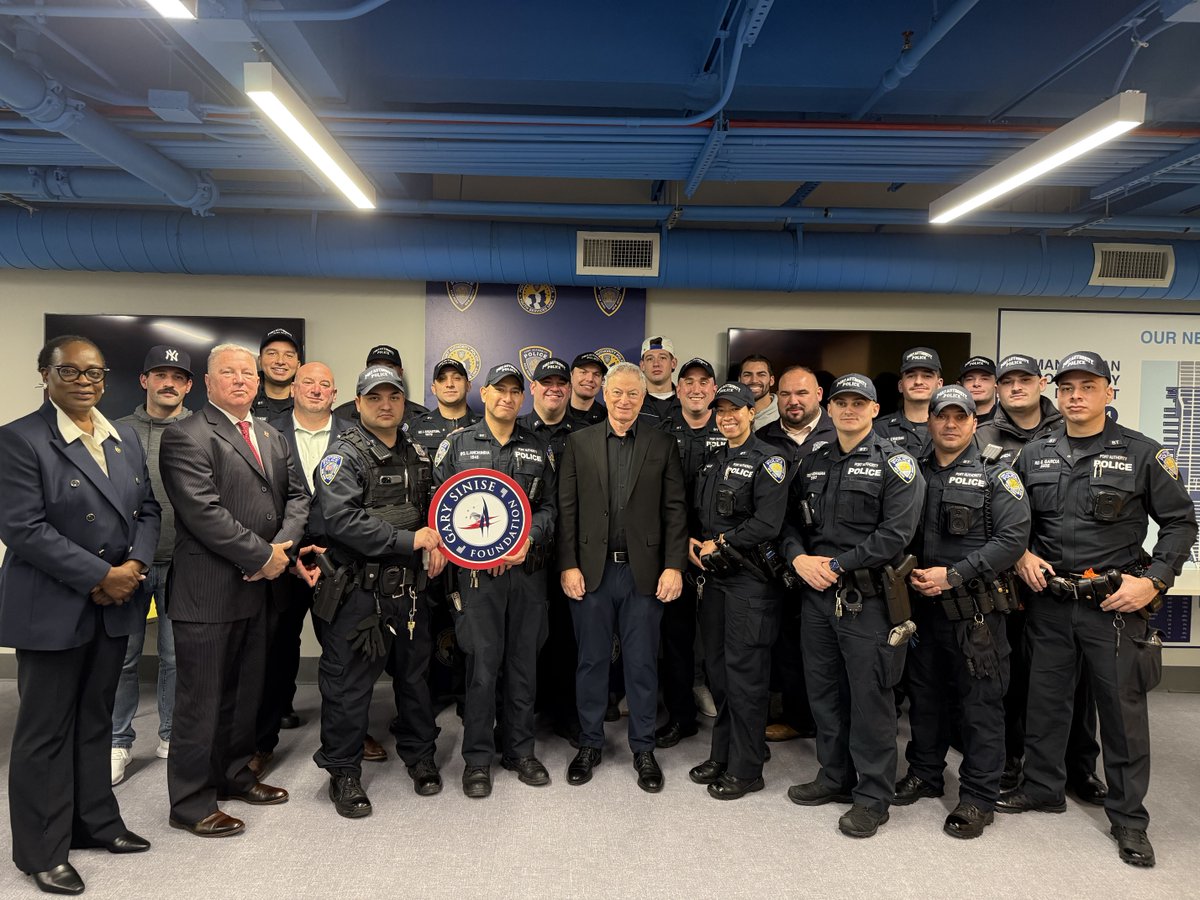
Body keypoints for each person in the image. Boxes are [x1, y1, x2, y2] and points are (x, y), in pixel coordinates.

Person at [998, 351, 1197, 869]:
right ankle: (1044, 786)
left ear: (1109, 392)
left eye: (1088, 386)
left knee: (1122, 715)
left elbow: (1180, 523)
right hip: (1049, 601)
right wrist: (1019, 553)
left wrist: (1154, 582)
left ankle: (1128, 818)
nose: (1076, 395)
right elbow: (1009, 515)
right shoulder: (1035, 453)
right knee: (1044, 703)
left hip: (1113, 604)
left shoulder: (1143, 454)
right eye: (1067, 387)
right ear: (1057, 394)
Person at [0, 335, 161, 895]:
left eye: (95, 374)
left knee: (95, 720)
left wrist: (135, 565)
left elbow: (147, 508)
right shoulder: (19, 439)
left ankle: (94, 822)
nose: (87, 382)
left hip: (114, 604)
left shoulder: (120, 440)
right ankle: (41, 850)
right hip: (54, 606)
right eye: (71, 372)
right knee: (44, 733)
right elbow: (23, 528)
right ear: (44, 374)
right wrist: (101, 576)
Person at [159, 343, 310, 838]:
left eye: (248, 373)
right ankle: (189, 801)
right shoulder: (186, 434)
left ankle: (233, 774)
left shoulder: (269, 433)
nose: (242, 380)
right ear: (208, 381)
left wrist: (279, 550)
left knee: (245, 694)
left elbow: (297, 497)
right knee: (201, 701)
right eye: (230, 372)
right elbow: (203, 512)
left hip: (261, 588)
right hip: (209, 591)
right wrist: (263, 557)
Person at [782, 374, 924, 838]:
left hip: (869, 599)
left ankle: (873, 795)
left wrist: (837, 564)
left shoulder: (896, 464)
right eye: (841, 402)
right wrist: (799, 559)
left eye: (857, 402)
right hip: (817, 597)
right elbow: (788, 524)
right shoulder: (815, 460)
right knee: (824, 693)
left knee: (870, 700)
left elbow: (895, 536)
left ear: (875, 409)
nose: (848, 409)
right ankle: (834, 776)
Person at [308, 365, 446, 817]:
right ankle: (344, 773)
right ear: (359, 402)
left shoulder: (418, 454)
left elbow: (432, 514)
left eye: (394, 396)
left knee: (415, 680)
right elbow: (342, 521)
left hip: (408, 591)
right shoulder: (341, 457)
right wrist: (412, 538)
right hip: (358, 594)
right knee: (348, 687)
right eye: (375, 398)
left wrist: (437, 542)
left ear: (404, 401)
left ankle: (420, 757)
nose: (385, 405)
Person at [896, 386, 1029, 839]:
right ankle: (925, 772)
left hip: (976, 614)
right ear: (929, 421)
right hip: (922, 611)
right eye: (942, 416)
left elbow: (1012, 540)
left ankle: (977, 797)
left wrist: (953, 575)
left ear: (975, 421)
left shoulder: (998, 475)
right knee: (925, 697)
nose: (950, 424)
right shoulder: (912, 472)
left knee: (980, 706)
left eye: (960, 416)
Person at [973, 354, 1103, 801]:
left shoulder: (1067, 424)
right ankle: (1014, 761)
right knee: (1013, 674)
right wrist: (1018, 554)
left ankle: (1080, 767)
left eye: (1024, 379)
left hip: (1064, 580)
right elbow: (984, 508)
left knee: (1077, 682)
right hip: (1010, 577)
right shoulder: (982, 432)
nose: (1015, 388)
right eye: (1006, 381)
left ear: (1041, 383)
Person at [558, 362, 688, 792]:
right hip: (591, 572)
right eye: (618, 393)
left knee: (642, 663)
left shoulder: (662, 443)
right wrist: (567, 564)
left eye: (634, 394)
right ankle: (590, 743)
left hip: (644, 574)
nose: (625, 401)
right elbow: (567, 511)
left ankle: (644, 748)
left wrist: (674, 565)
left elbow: (674, 510)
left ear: (642, 398)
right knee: (591, 661)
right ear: (605, 395)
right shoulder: (578, 443)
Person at [432, 363, 557, 798]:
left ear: (523, 398)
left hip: (526, 573)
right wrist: (473, 553)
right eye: (499, 390)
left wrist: (528, 537)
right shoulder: (457, 444)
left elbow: (551, 509)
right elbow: (438, 504)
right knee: (482, 667)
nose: (507, 397)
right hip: (476, 577)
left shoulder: (539, 449)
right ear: (482, 393)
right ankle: (478, 760)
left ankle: (520, 751)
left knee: (524, 665)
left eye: (515, 391)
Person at [251, 363, 358, 778]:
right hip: (284, 558)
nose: (316, 390)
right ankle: (262, 742)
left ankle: (350, 734)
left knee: (345, 654)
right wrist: (287, 550)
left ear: (335, 393)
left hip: (341, 559)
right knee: (276, 652)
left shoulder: (354, 431)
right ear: (292, 388)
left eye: (325, 385)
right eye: (308, 382)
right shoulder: (266, 432)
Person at [687, 382, 790, 801]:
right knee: (720, 672)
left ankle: (747, 767)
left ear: (752, 412)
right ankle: (724, 752)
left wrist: (722, 544)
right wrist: (697, 543)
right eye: (721, 410)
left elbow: (768, 523)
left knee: (746, 676)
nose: (728, 416)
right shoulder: (714, 462)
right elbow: (705, 519)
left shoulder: (771, 461)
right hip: (715, 580)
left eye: (736, 409)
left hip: (750, 581)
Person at [111, 345, 193, 786]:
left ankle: (170, 734)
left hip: (183, 562)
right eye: (160, 374)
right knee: (122, 658)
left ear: (188, 386)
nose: (169, 383)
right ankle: (117, 742)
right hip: (129, 564)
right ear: (144, 380)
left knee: (175, 656)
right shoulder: (116, 430)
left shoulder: (201, 430)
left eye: (178, 377)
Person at [757, 366, 834, 744]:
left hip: (830, 559)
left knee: (828, 648)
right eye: (786, 394)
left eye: (801, 393)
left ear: (818, 394)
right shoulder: (763, 437)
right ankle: (797, 716)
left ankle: (831, 722)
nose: (793, 401)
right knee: (786, 640)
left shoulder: (839, 434)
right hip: (782, 554)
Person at [655, 358, 727, 746]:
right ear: (677, 389)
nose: (696, 389)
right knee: (676, 640)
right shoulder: (660, 433)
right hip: (674, 550)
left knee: (724, 642)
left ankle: (736, 729)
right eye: (689, 382)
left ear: (714, 390)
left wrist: (721, 542)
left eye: (704, 382)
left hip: (724, 552)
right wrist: (679, 542)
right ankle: (681, 716)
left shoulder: (730, 430)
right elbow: (649, 495)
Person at [518, 358, 585, 745]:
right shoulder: (517, 429)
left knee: (566, 635)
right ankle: (521, 713)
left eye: (561, 382)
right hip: (522, 552)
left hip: (567, 550)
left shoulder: (585, 433)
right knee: (522, 638)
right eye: (547, 382)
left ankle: (566, 714)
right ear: (533, 387)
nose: (554, 388)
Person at [875, 347, 943, 457]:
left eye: (927, 376)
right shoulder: (880, 429)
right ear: (900, 386)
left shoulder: (951, 426)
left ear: (939, 384)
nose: (918, 382)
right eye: (911, 376)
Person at [334, 345, 429, 423]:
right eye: (374, 398)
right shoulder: (341, 415)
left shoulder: (420, 415)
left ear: (401, 372)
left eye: (389, 367)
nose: (386, 407)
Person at [407, 357, 480, 453]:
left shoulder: (485, 425)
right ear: (433, 389)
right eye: (442, 379)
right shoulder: (414, 427)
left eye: (457, 378)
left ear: (468, 386)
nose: (449, 384)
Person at [252, 327, 301, 419]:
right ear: (260, 360)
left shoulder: (308, 398)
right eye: (272, 354)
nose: (280, 361)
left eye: (289, 355)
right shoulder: (244, 397)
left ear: (298, 365)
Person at [640, 336, 682, 421]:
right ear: (642, 365)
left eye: (662, 358)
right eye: (650, 359)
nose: (656, 364)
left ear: (673, 363)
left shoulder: (687, 401)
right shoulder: (633, 403)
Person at [737, 354, 778, 431]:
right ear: (739, 380)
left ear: (771, 380)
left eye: (761, 375)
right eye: (747, 375)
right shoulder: (729, 414)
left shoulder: (784, 413)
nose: (754, 380)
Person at [566, 352, 608, 426]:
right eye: (583, 372)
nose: (590, 379)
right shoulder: (555, 413)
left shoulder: (608, 419)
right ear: (571, 376)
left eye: (596, 374)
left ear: (602, 380)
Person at [959, 356, 998, 423]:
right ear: (959, 385)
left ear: (996, 384)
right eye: (969, 379)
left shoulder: (1008, 420)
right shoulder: (950, 422)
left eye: (984, 379)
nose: (976, 384)